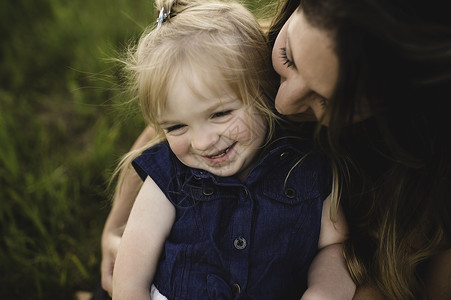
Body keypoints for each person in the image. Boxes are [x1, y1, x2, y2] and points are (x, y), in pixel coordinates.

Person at [101, 0, 451, 299]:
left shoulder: (314, 170)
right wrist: (114, 228)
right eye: (289, 59)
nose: (280, 103)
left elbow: (339, 251)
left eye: (325, 100)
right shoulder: (234, 60)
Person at [110, 0, 355, 299]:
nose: (201, 142)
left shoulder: (306, 166)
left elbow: (334, 246)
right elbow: (129, 279)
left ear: (263, 90)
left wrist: (324, 291)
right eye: (176, 127)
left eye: (219, 114)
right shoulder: (169, 177)